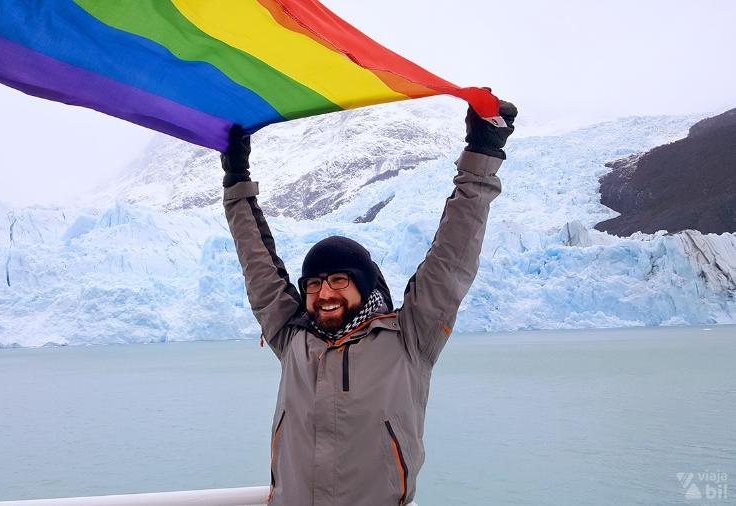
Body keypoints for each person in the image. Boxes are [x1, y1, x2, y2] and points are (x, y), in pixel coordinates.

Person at [221, 98, 517, 506]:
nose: (324, 294)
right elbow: (257, 262)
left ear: (362, 284)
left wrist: (482, 155)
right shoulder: (292, 338)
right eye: (314, 284)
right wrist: (237, 181)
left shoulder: (410, 338)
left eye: (339, 280)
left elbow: (452, 258)